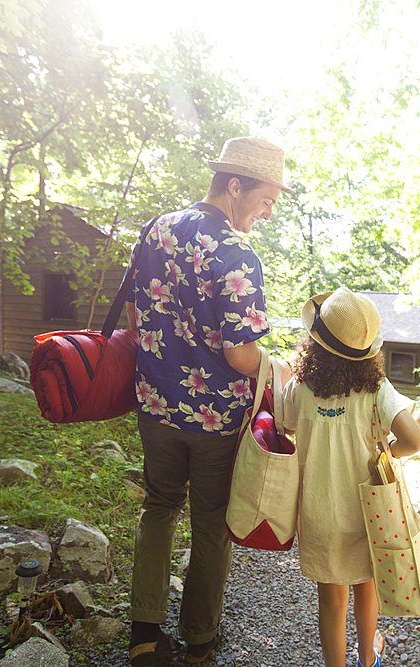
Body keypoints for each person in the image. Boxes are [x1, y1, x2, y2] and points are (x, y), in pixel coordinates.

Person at [125, 137, 293, 666]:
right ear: (235, 185)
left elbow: (136, 317)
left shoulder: (156, 228)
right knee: (212, 526)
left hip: (154, 404)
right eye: (266, 200)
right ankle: (200, 640)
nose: (267, 213)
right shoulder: (237, 252)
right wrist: (283, 369)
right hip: (215, 418)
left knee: (158, 509)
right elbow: (243, 356)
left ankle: (144, 638)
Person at [282, 287, 420, 667]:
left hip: (317, 512)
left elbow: (285, 427)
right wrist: (386, 452)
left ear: (316, 343)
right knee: (367, 587)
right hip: (368, 511)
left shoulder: (300, 387)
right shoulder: (377, 390)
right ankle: (367, 658)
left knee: (331, 602)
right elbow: (414, 439)